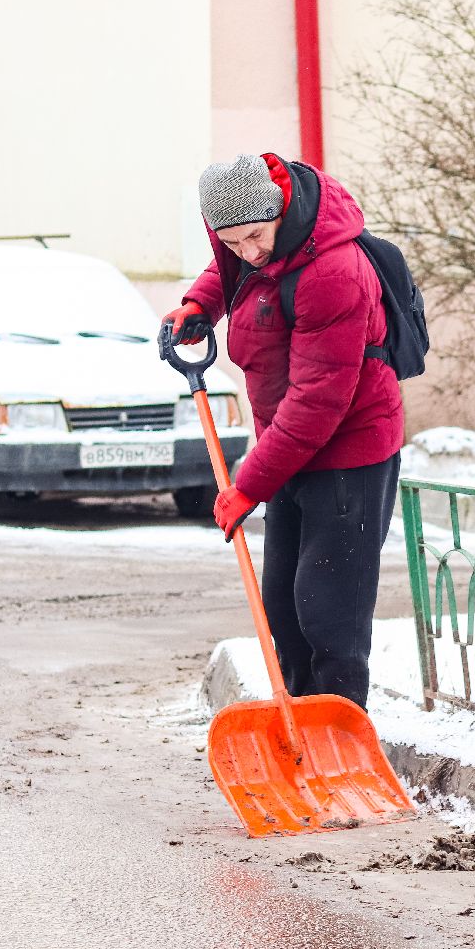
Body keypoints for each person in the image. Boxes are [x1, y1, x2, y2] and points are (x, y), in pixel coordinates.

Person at [163, 153, 404, 711]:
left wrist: (248, 484)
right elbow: (235, 270)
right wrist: (202, 301)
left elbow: (318, 401)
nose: (248, 251)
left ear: (277, 211)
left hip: (349, 450)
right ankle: (299, 721)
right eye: (231, 241)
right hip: (288, 447)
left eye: (255, 236)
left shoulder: (332, 271)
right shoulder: (253, 243)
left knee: (328, 610)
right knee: (283, 608)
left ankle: (342, 726)